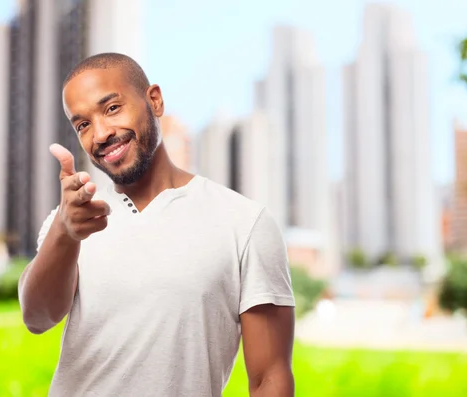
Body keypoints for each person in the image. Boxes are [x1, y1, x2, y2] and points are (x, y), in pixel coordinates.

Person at [18, 52, 296, 397]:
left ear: (154, 100)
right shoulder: (71, 221)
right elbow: (37, 318)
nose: (101, 133)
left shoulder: (245, 223)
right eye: (83, 125)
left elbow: (269, 377)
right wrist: (64, 231)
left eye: (112, 108)